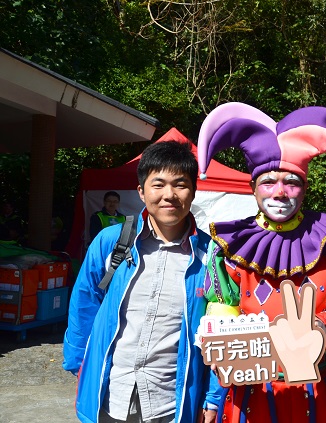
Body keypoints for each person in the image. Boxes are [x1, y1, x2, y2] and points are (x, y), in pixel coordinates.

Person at [197, 102, 326, 422]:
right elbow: (222, 312)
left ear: (305, 188)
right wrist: (222, 355)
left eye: (291, 182)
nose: (280, 192)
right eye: (268, 182)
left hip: (320, 391)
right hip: (254, 392)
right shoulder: (227, 247)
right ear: (252, 187)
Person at [62, 141, 217, 423]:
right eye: (158, 184)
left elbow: (220, 329)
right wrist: (79, 363)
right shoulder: (112, 242)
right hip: (111, 392)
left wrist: (212, 397)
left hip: (172, 401)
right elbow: (85, 300)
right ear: (141, 192)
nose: (169, 195)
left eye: (180, 184)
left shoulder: (210, 257)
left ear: (194, 192)